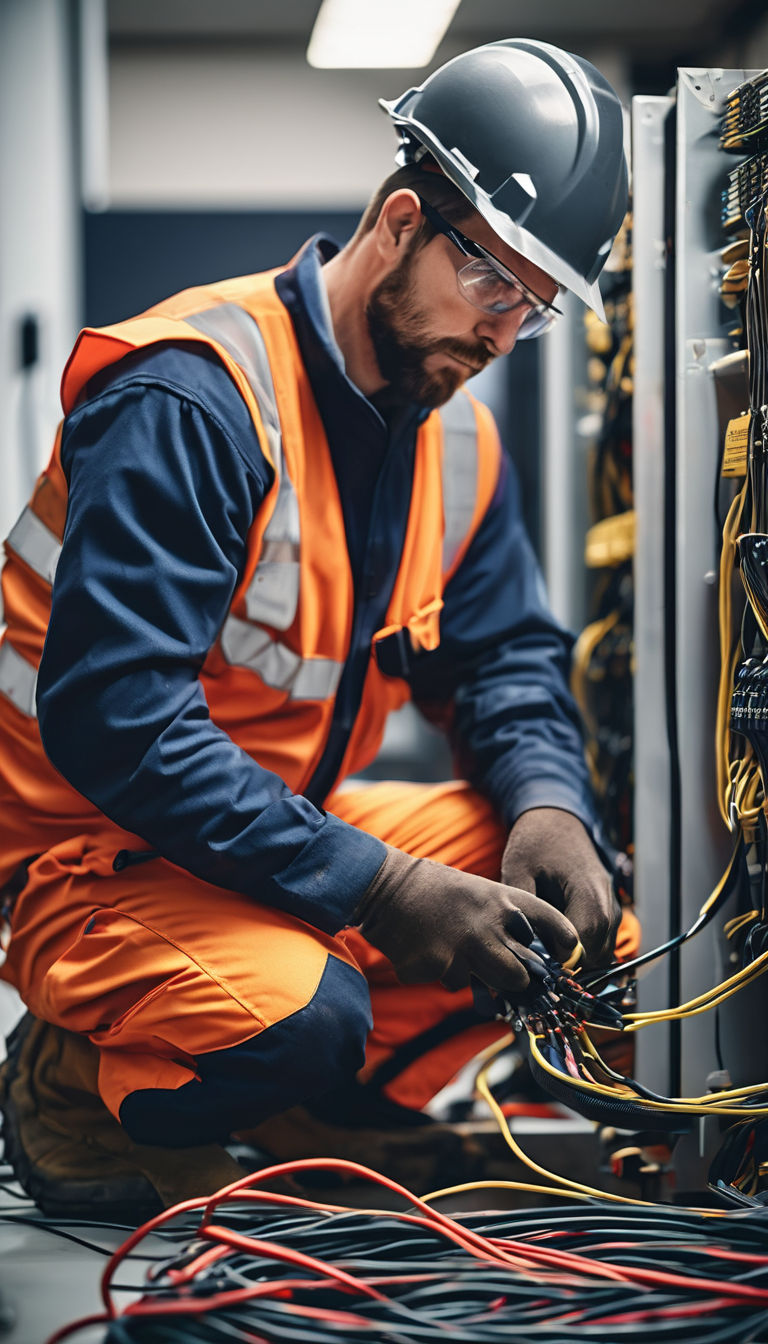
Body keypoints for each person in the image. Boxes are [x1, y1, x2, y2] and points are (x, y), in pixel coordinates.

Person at [0, 38, 634, 1217]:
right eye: (495, 285)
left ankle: (307, 1111)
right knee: (309, 1012)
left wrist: (550, 802)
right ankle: (72, 1072)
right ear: (402, 221)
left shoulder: (453, 433)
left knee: (581, 919)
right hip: (96, 854)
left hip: (276, 821)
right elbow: (117, 720)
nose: (503, 335)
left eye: (535, 311)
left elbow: (507, 660)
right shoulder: (194, 396)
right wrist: (383, 889)